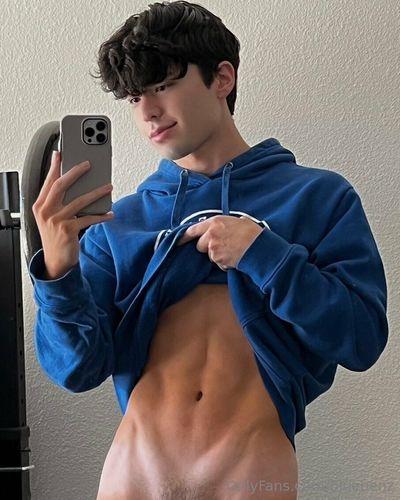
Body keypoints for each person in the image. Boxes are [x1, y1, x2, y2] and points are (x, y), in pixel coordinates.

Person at [29, 1, 389, 499]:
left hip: (251, 473)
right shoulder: (118, 223)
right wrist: (58, 271)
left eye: (162, 85)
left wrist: (264, 254)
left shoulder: (318, 197)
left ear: (222, 78)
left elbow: (362, 339)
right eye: (134, 97)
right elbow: (77, 370)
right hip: (135, 475)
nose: (147, 112)